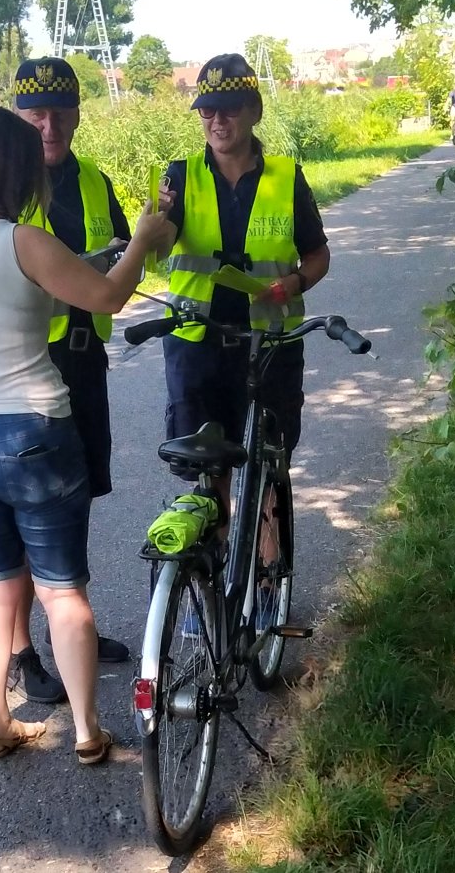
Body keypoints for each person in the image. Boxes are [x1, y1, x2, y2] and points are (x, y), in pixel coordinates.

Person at [0, 105, 174, 764]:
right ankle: (88, 731)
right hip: (34, 428)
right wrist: (140, 240)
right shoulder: (24, 240)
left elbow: (10, 302)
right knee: (61, 590)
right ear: (12, 167)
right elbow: (108, 296)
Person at [156, 54, 330, 622]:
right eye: (206, 110)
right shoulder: (178, 177)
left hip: (269, 348)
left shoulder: (285, 177)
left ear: (252, 111)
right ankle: (213, 584)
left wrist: (295, 282)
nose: (216, 122)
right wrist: (151, 227)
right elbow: (155, 245)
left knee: (268, 468)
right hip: (197, 345)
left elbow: (318, 254)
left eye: (228, 110)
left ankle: (268, 590)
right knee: (211, 472)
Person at [7, 57, 131, 706]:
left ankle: (72, 628)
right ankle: (22, 649)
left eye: (59, 110)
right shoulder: (3, 189)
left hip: (84, 365)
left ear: (78, 113)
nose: (48, 124)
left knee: (75, 501)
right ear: (19, 116)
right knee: (32, 508)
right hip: (30, 369)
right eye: (35, 112)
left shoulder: (94, 180)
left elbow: (121, 248)